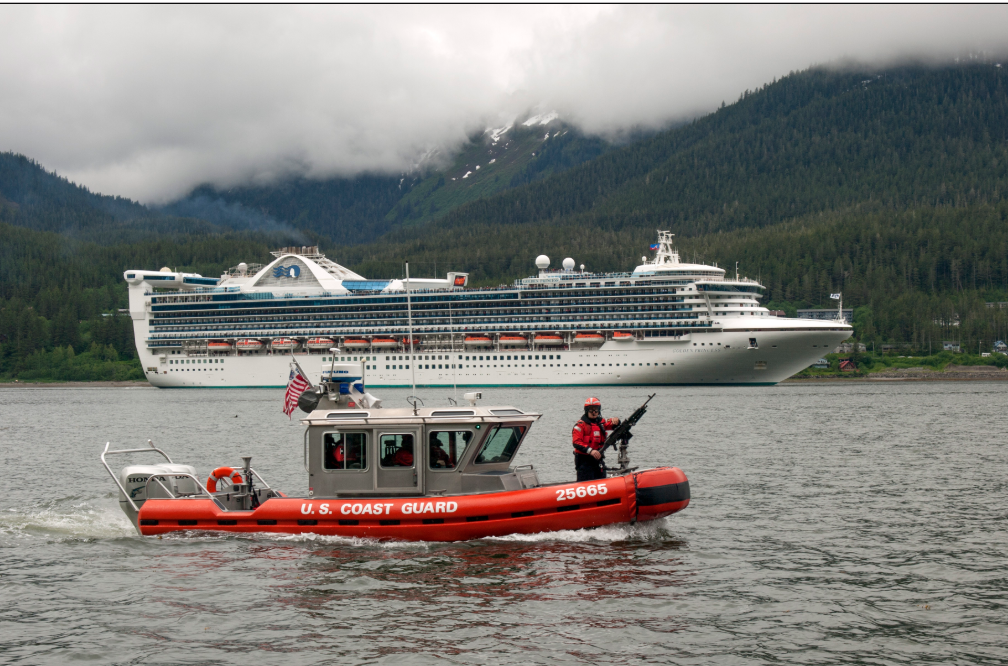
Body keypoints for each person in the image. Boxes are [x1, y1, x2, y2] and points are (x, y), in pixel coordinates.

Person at [572, 397, 620, 481]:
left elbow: (611, 424)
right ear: (586, 410)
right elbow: (576, 442)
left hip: (598, 459)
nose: (594, 412)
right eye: (591, 410)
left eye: (596, 410)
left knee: (601, 479)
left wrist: (617, 421)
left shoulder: (601, 422)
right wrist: (591, 451)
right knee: (585, 482)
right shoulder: (580, 425)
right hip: (584, 460)